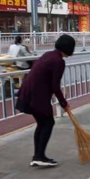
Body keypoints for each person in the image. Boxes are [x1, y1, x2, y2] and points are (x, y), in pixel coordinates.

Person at [16, 35, 75, 167]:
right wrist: (63, 103)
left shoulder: (48, 55)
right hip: (37, 95)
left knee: (42, 123)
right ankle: (39, 156)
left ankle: (37, 156)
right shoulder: (59, 61)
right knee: (48, 123)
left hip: (29, 92)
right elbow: (55, 86)